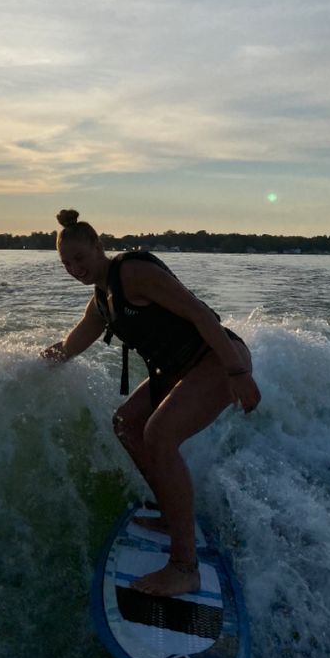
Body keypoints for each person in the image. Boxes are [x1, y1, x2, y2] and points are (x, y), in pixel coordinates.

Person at [42, 209, 261, 598]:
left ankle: (184, 568)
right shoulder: (102, 302)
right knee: (127, 423)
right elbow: (70, 347)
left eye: (80, 258)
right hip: (178, 370)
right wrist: (21, 367)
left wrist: (237, 373)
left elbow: (198, 312)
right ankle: (171, 512)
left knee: (160, 436)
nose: (75, 268)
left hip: (217, 359)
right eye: (66, 263)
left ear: (98, 246)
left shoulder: (133, 273)